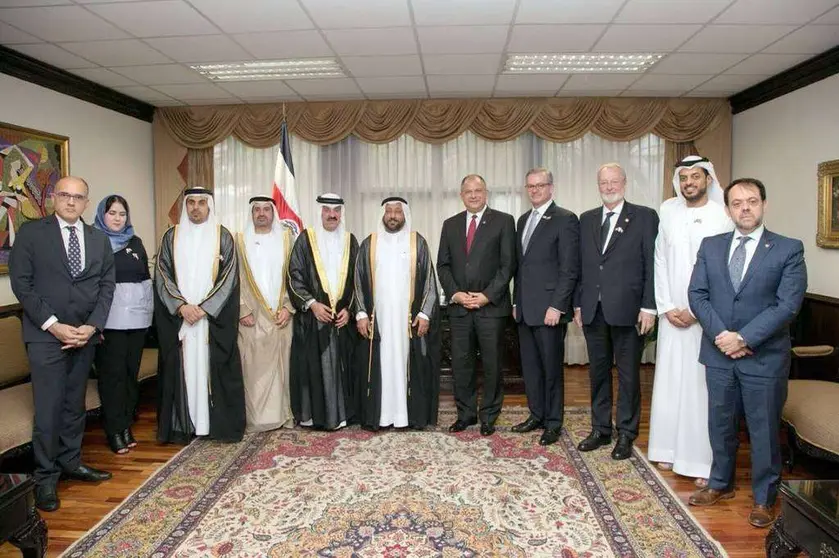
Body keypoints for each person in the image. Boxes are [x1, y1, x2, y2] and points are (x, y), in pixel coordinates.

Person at [687, 178, 806, 528]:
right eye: (737, 203)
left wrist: (744, 337)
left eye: (752, 201)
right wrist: (723, 335)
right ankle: (720, 484)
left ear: (764, 205)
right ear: (728, 209)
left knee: (764, 429)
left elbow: (788, 306)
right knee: (720, 424)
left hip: (764, 357)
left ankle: (764, 498)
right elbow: (697, 294)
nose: (745, 208)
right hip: (718, 353)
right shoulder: (711, 246)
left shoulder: (788, 249)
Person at [9, 176, 115, 512]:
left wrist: (92, 326)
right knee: (49, 408)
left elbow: (106, 287)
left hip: (84, 336)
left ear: (87, 202)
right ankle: (45, 478)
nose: (71, 202)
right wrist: (54, 327)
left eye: (78, 197)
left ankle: (71, 462)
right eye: (65, 195)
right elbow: (22, 286)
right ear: (54, 197)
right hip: (45, 337)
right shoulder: (31, 234)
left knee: (74, 405)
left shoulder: (98, 239)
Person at [647, 156, 733, 486]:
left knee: (700, 389)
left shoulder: (722, 215)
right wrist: (667, 305)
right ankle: (666, 449)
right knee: (670, 383)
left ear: (708, 179)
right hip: (672, 317)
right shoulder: (668, 210)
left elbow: (724, 270)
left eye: (695, 177)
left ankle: (700, 462)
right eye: (684, 178)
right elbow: (660, 259)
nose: (689, 183)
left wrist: (696, 310)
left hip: (705, 317)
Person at [574, 163, 659, 460]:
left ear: (624, 183)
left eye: (614, 181)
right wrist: (577, 303)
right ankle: (601, 429)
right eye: (604, 182)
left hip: (630, 310)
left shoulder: (645, 217)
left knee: (628, 377)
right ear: (598, 185)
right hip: (593, 311)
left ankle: (626, 433)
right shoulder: (586, 220)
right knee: (597, 374)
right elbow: (580, 267)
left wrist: (650, 306)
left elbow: (652, 265)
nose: (609, 187)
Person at [154, 187, 245, 444]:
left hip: (209, 321)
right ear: (185, 206)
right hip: (181, 319)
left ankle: (211, 426)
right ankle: (183, 425)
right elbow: (162, 275)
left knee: (210, 368)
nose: (196, 207)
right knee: (182, 370)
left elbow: (229, 277)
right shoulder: (171, 236)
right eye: (191, 202)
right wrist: (182, 306)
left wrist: (204, 308)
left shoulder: (222, 236)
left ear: (210, 206)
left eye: (201, 203)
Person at [437, 174, 516, 435]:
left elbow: (508, 266)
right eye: (468, 191)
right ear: (461, 195)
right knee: (462, 364)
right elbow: (443, 265)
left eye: (478, 190)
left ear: (486, 193)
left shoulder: (504, 222)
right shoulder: (450, 225)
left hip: (490, 308)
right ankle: (466, 414)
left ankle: (489, 416)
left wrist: (486, 296)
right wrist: (456, 293)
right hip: (459, 308)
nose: (473, 195)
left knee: (493, 365)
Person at [355, 197, 441, 430]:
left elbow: (430, 282)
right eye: (389, 211)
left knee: (406, 363)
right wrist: (361, 313)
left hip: (407, 320)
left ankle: (406, 417)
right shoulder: (369, 243)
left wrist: (424, 313)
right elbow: (358, 280)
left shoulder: (417, 243)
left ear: (405, 216)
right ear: (383, 215)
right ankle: (382, 416)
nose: (393, 216)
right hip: (378, 319)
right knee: (382, 363)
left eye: (398, 212)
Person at [512, 168, 580, 446]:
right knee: (530, 368)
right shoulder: (523, 220)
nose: (535, 190)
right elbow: (521, 267)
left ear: (551, 187)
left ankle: (553, 422)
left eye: (540, 185)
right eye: (530, 186)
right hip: (526, 309)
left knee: (551, 369)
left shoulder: (565, 219)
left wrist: (558, 306)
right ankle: (536, 414)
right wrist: (516, 301)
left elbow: (569, 268)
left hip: (550, 310)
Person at [287, 193, 359, 430]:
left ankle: (342, 416)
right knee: (313, 368)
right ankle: (315, 417)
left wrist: (349, 309)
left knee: (342, 367)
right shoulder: (305, 240)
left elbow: (359, 281)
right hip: (313, 319)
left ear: (341, 213)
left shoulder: (351, 241)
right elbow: (294, 276)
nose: (331, 215)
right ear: (320, 212)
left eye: (336, 210)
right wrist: (312, 304)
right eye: (327, 210)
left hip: (342, 320)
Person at [92, 194, 154, 454]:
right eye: (112, 213)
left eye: (122, 214)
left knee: (130, 375)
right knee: (112, 377)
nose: (117, 218)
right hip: (109, 324)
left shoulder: (135, 242)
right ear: (102, 215)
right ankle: (114, 430)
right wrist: (96, 324)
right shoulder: (94, 242)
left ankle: (126, 424)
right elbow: (89, 287)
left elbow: (145, 279)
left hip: (137, 322)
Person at [237, 196, 295, 432]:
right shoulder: (238, 241)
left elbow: (295, 276)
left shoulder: (286, 239)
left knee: (283, 369)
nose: (261, 213)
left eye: (266, 209)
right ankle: (256, 420)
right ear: (251, 214)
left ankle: (283, 416)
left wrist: (289, 308)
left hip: (281, 315)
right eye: (257, 210)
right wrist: (241, 310)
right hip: (250, 316)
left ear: (273, 213)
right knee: (252, 371)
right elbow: (233, 278)